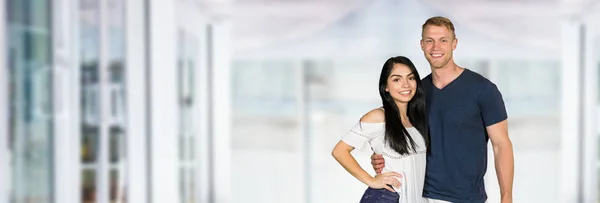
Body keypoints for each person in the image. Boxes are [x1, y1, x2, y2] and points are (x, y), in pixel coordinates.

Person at [370, 16, 514, 203]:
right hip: (416, 193)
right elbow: (403, 138)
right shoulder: (415, 92)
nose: (435, 47)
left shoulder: (483, 89)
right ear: (422, 45)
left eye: (443, 40)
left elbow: (501, 145)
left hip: (464, 198)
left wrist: (507, 197)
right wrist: (381, 157)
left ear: (454, 44)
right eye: (430, 41)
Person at [332, 56, 430, 203]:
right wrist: (371, 180)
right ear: (386, 87)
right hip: (387, 198)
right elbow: (339, 151)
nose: (406, 85)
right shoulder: (378, 117)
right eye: (397, 79)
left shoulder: (418, 119)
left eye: (410, 78)